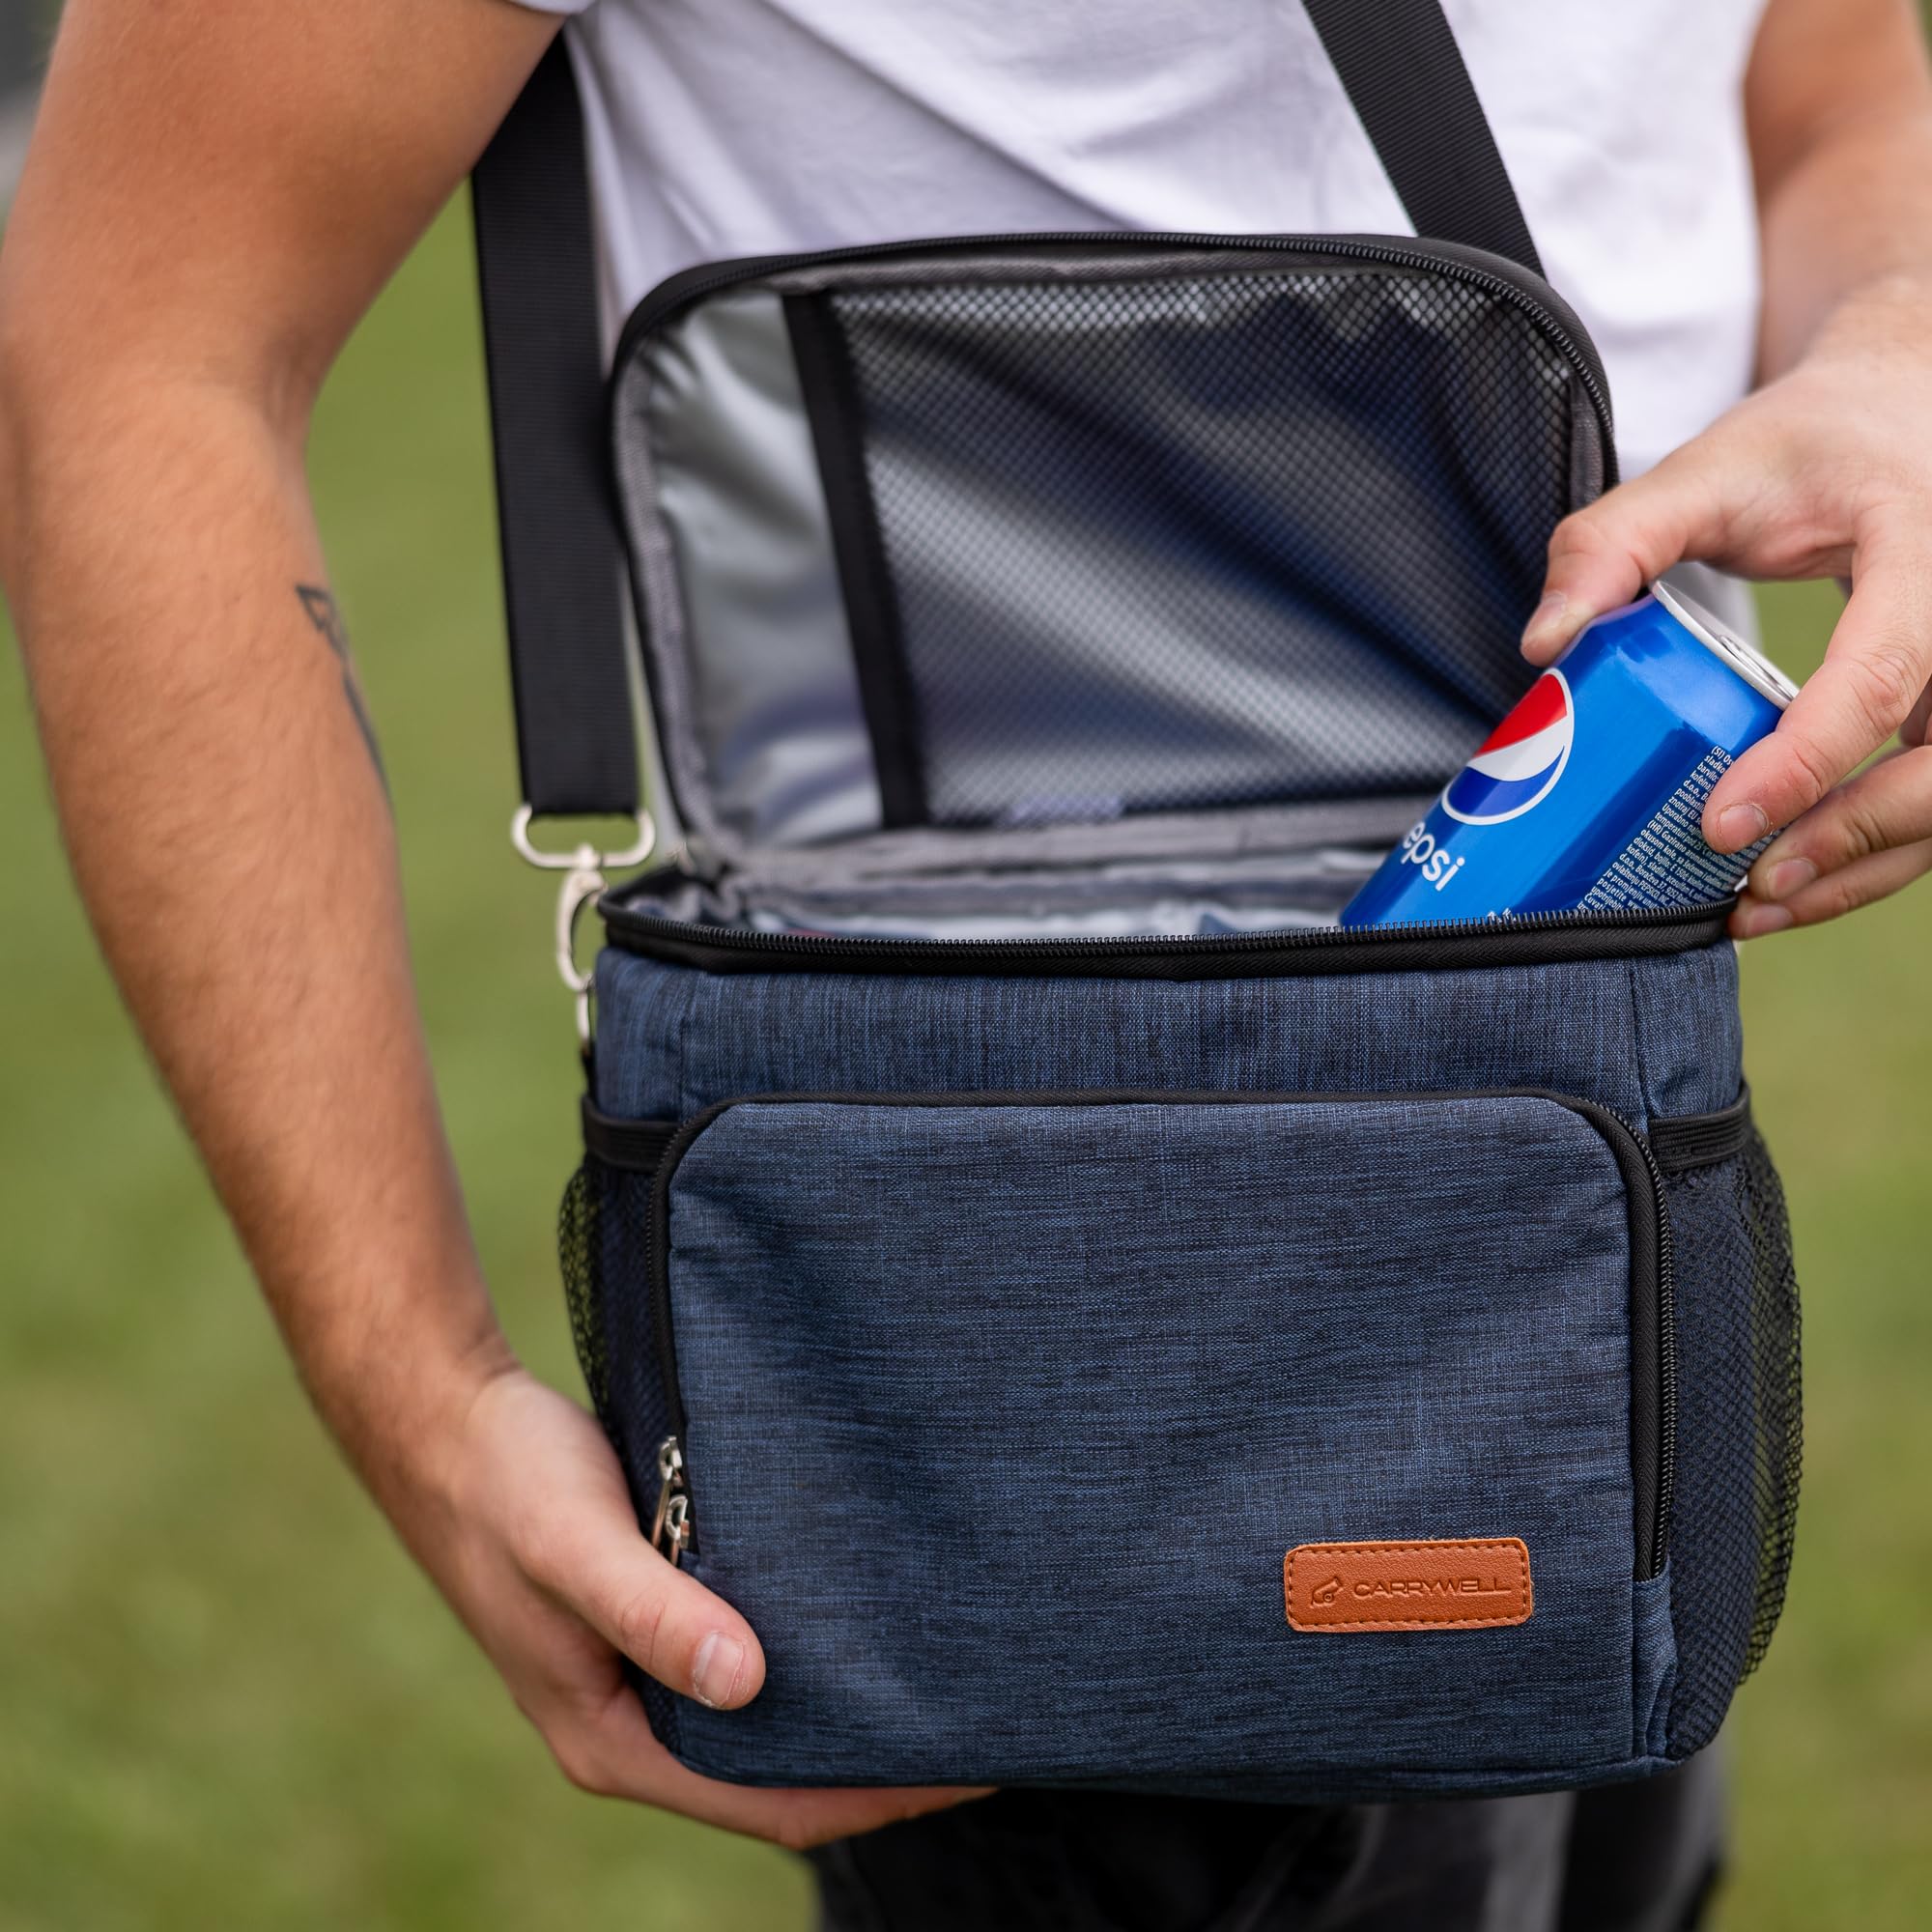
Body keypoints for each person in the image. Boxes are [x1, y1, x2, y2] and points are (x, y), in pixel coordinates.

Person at [1, 1, 1928, 1924]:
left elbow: (1818, 87)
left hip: (1594, 1126)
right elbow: (146, 343)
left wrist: (1895, 350)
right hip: (1030, 1302)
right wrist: (417, 1387)